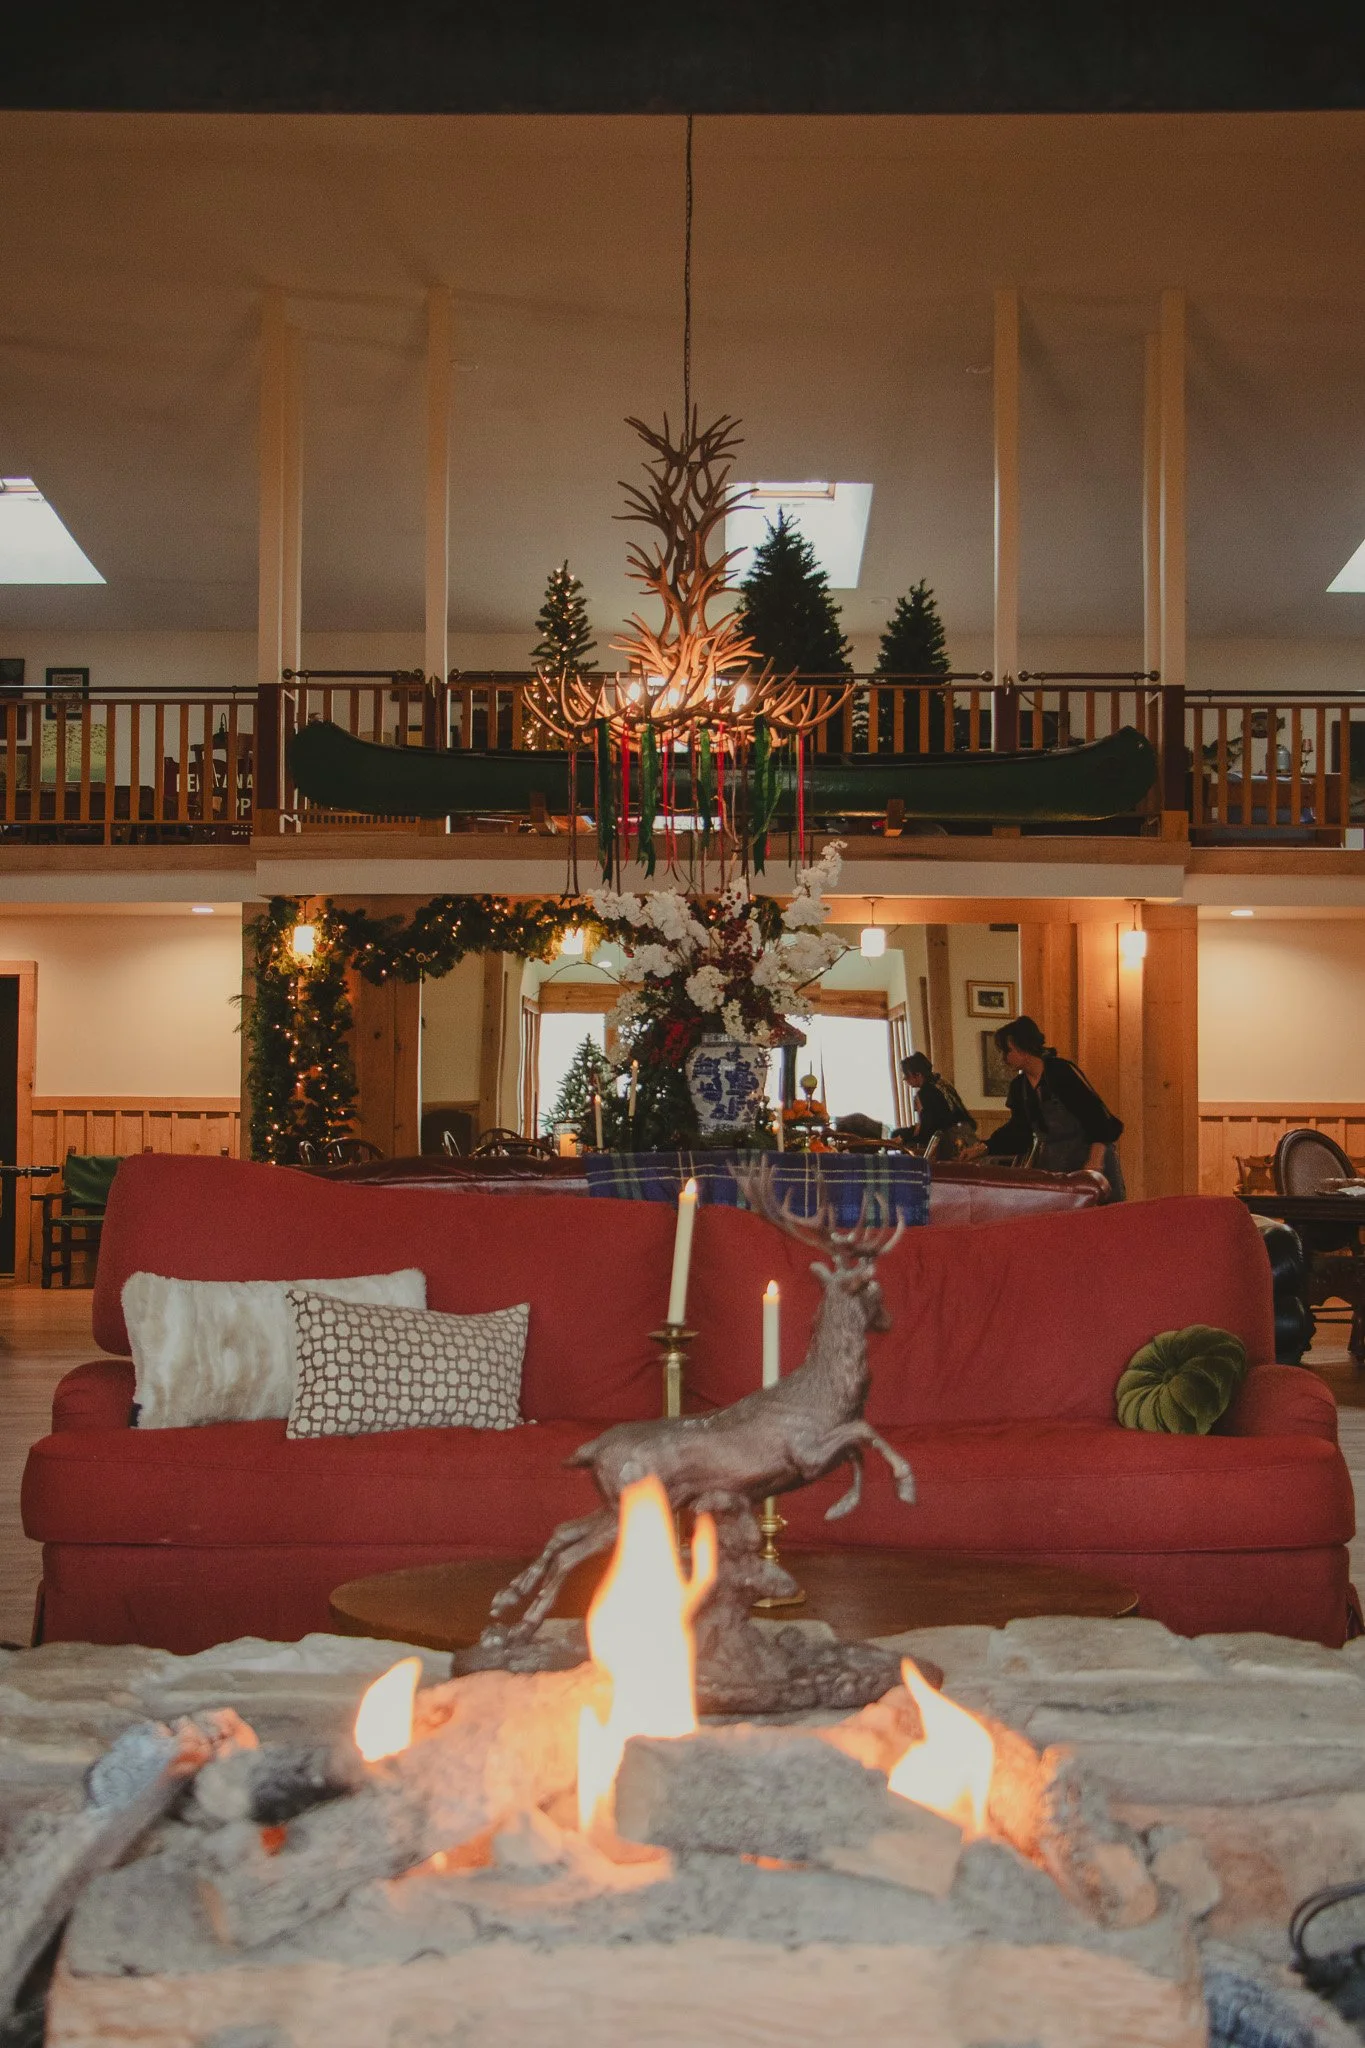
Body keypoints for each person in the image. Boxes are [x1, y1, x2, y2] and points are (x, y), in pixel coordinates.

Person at [983, 1015, 1126, 1200]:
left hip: (1089, 1160)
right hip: (1056, 1165)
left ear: (1024, 1048)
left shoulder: (1061, 1072)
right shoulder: (1020, 1087)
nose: (1003, 1058)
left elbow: (1098, 1119)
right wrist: (983, 1147)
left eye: (1007, 1051)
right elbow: (1019, 1133)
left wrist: (1094, 1163)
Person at [893, 1052, 978, 1156]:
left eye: (907, 1075)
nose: (905, 1079)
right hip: (968, 1135)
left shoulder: (925, 1093)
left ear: (918, 1075)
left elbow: (926, 1129)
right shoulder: (943, 1083)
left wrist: (903, 1137)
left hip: (950, 1141)